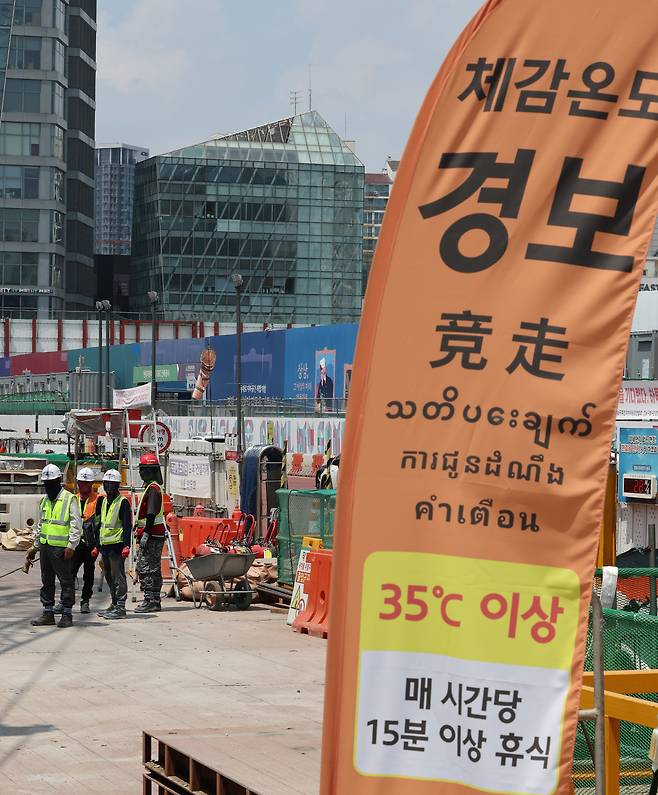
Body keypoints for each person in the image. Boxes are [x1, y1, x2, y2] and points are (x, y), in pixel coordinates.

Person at [29, 464, 81, 628]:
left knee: (66, 581)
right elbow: (41, 524)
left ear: (59, 481)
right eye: (46, 483)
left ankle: (67, 614)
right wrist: (35, 546)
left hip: (61, 549)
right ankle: (48, 613)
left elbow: (76, 524)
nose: (48, 486)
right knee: (47, 580)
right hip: (46, 547)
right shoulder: (44, 500)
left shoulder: (69, 498)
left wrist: (71, 546)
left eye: (50, 483)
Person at [55, 467, 98, 615]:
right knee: (69, 574)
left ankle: (85, 601)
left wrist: (97, 546)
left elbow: (101, 523)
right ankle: (64, 601)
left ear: (91, 483)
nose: (83, 485)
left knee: (88, 574)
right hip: (75, 544)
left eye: (86, 483)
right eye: (81, 482)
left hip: (90, 544)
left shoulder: (98, 500)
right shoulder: (73, 499)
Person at [94, 469, 132, 620]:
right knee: (109, 576)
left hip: (117, 545)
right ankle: (114, 602)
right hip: (105, 545)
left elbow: (127, 525)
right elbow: (99, 524)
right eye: (107, 483)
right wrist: (97, 545)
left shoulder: (122, 502)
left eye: (112, 484)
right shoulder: (103, 501)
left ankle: (120, 607)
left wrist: (126, 545)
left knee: (118, 577)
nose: (109, 487)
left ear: (117, 485)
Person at [134, 452, 166, 613]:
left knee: (147, 568)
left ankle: (150, 600)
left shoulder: (153, 489)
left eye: (143, 470)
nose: (140, 473)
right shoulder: (152, 488)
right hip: (153, 533)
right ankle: (154, 599)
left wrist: (146, 533)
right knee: (152, 567)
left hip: (152, 535)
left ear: (150, 471)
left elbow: (151, 513)